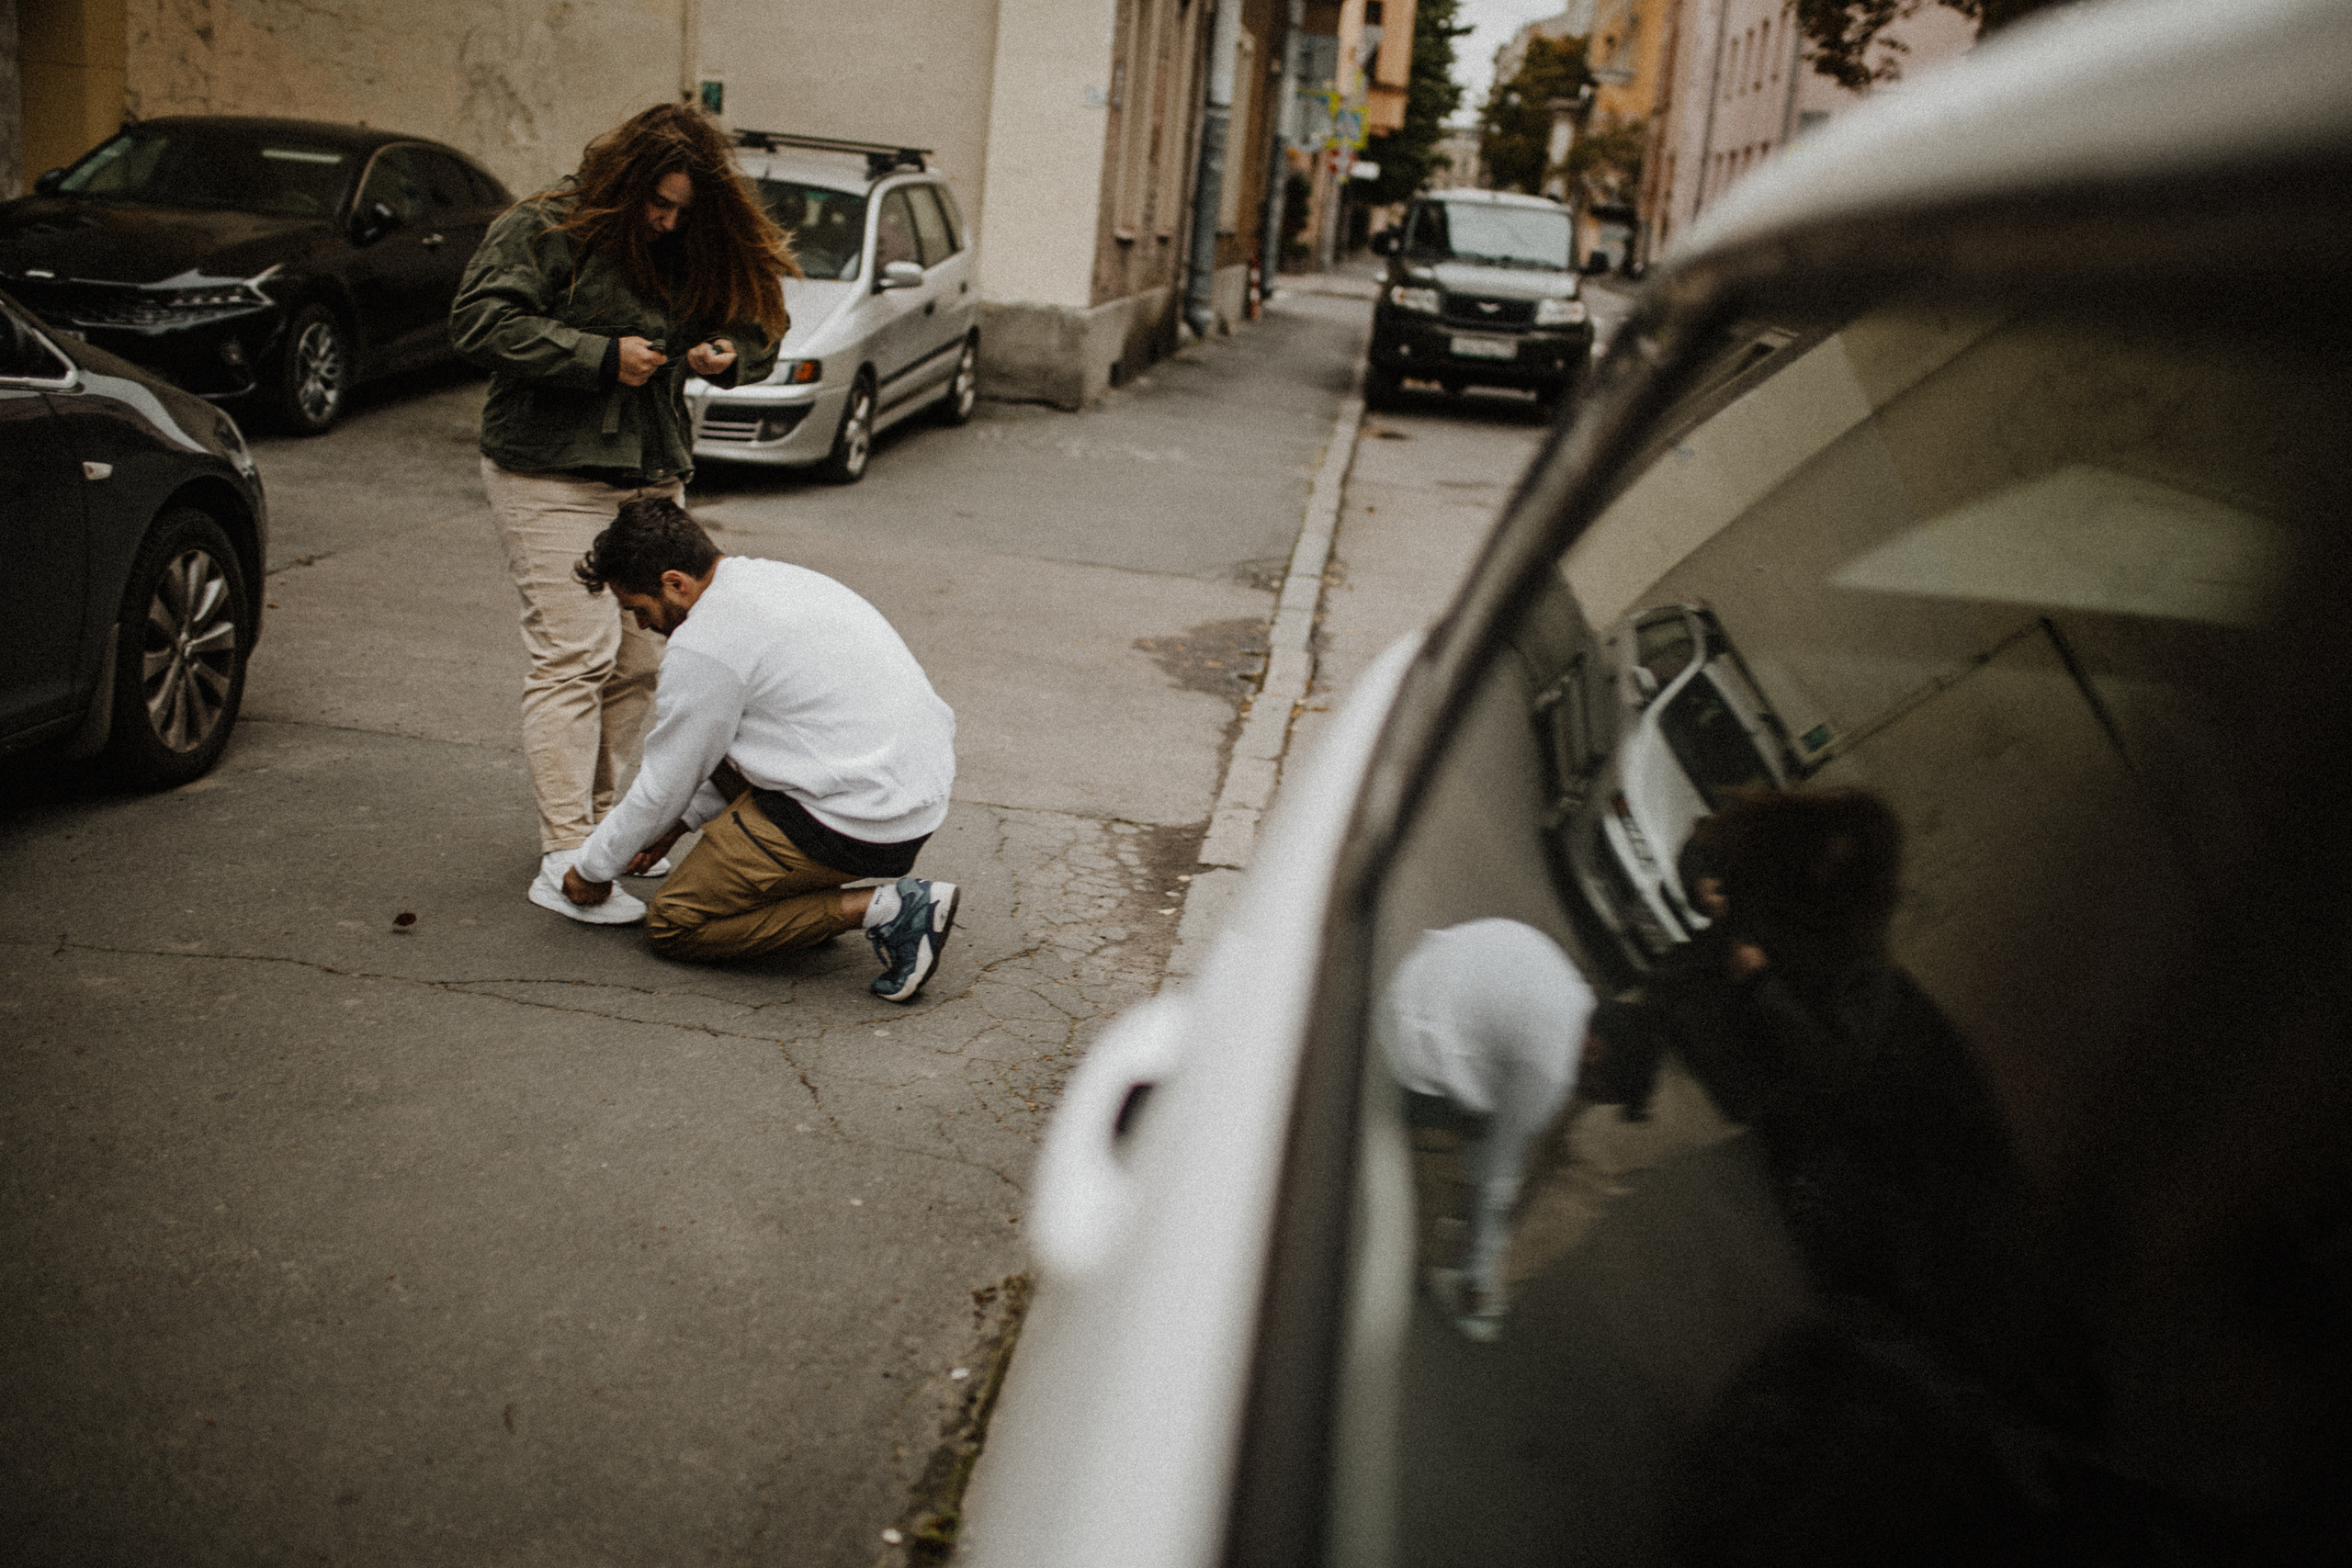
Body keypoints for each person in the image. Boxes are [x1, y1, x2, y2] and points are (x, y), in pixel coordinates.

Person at [451, 103, 795, 908]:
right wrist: (597, 355)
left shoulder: (694, 240)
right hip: (549, 472)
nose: (667, 221)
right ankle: (564, 847)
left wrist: (731, 355)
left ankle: (601, 828)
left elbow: (759, 320)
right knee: (575, 654)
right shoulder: (546, 224)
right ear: (624, 180)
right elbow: (478, 322)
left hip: (651, 472)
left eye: (682, 209)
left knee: (641, 661)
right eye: (657, 203)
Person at [542, 498, 960, 1004]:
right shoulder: (777, 579)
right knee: (716, 745)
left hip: (855, 822)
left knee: (676, 922)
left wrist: (590, 871)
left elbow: (664, 783)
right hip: (908, 792)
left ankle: (889, 909)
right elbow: (730, 751)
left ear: (675, 583)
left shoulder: (707, 641)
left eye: (638, 609)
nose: (643, 625)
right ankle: (798, 897)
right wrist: (677, 824)